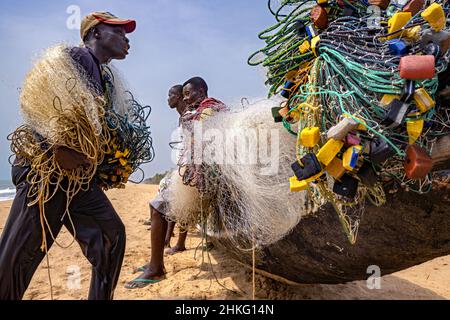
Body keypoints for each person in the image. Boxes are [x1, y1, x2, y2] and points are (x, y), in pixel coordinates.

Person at [0, 12, 137, 300]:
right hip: (46, 174)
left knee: (111, 237)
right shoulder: (76, 57)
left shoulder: (103, 75)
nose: (126, 39)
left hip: (75, 180)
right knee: (16, 261)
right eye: (119, 32)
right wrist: (57, 147)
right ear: (96, 33)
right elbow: (44, 103)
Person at [125, 77, 226, 289]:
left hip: (205, 176)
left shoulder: (210, 108)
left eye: (188, 94)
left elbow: (205, 136)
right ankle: (158, 260)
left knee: (157, 208)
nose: (185, 99)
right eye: (183, 95)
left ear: (200, 91)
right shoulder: (202, 109)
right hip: (197, 174)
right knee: (164, 208)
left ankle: (156, 269)